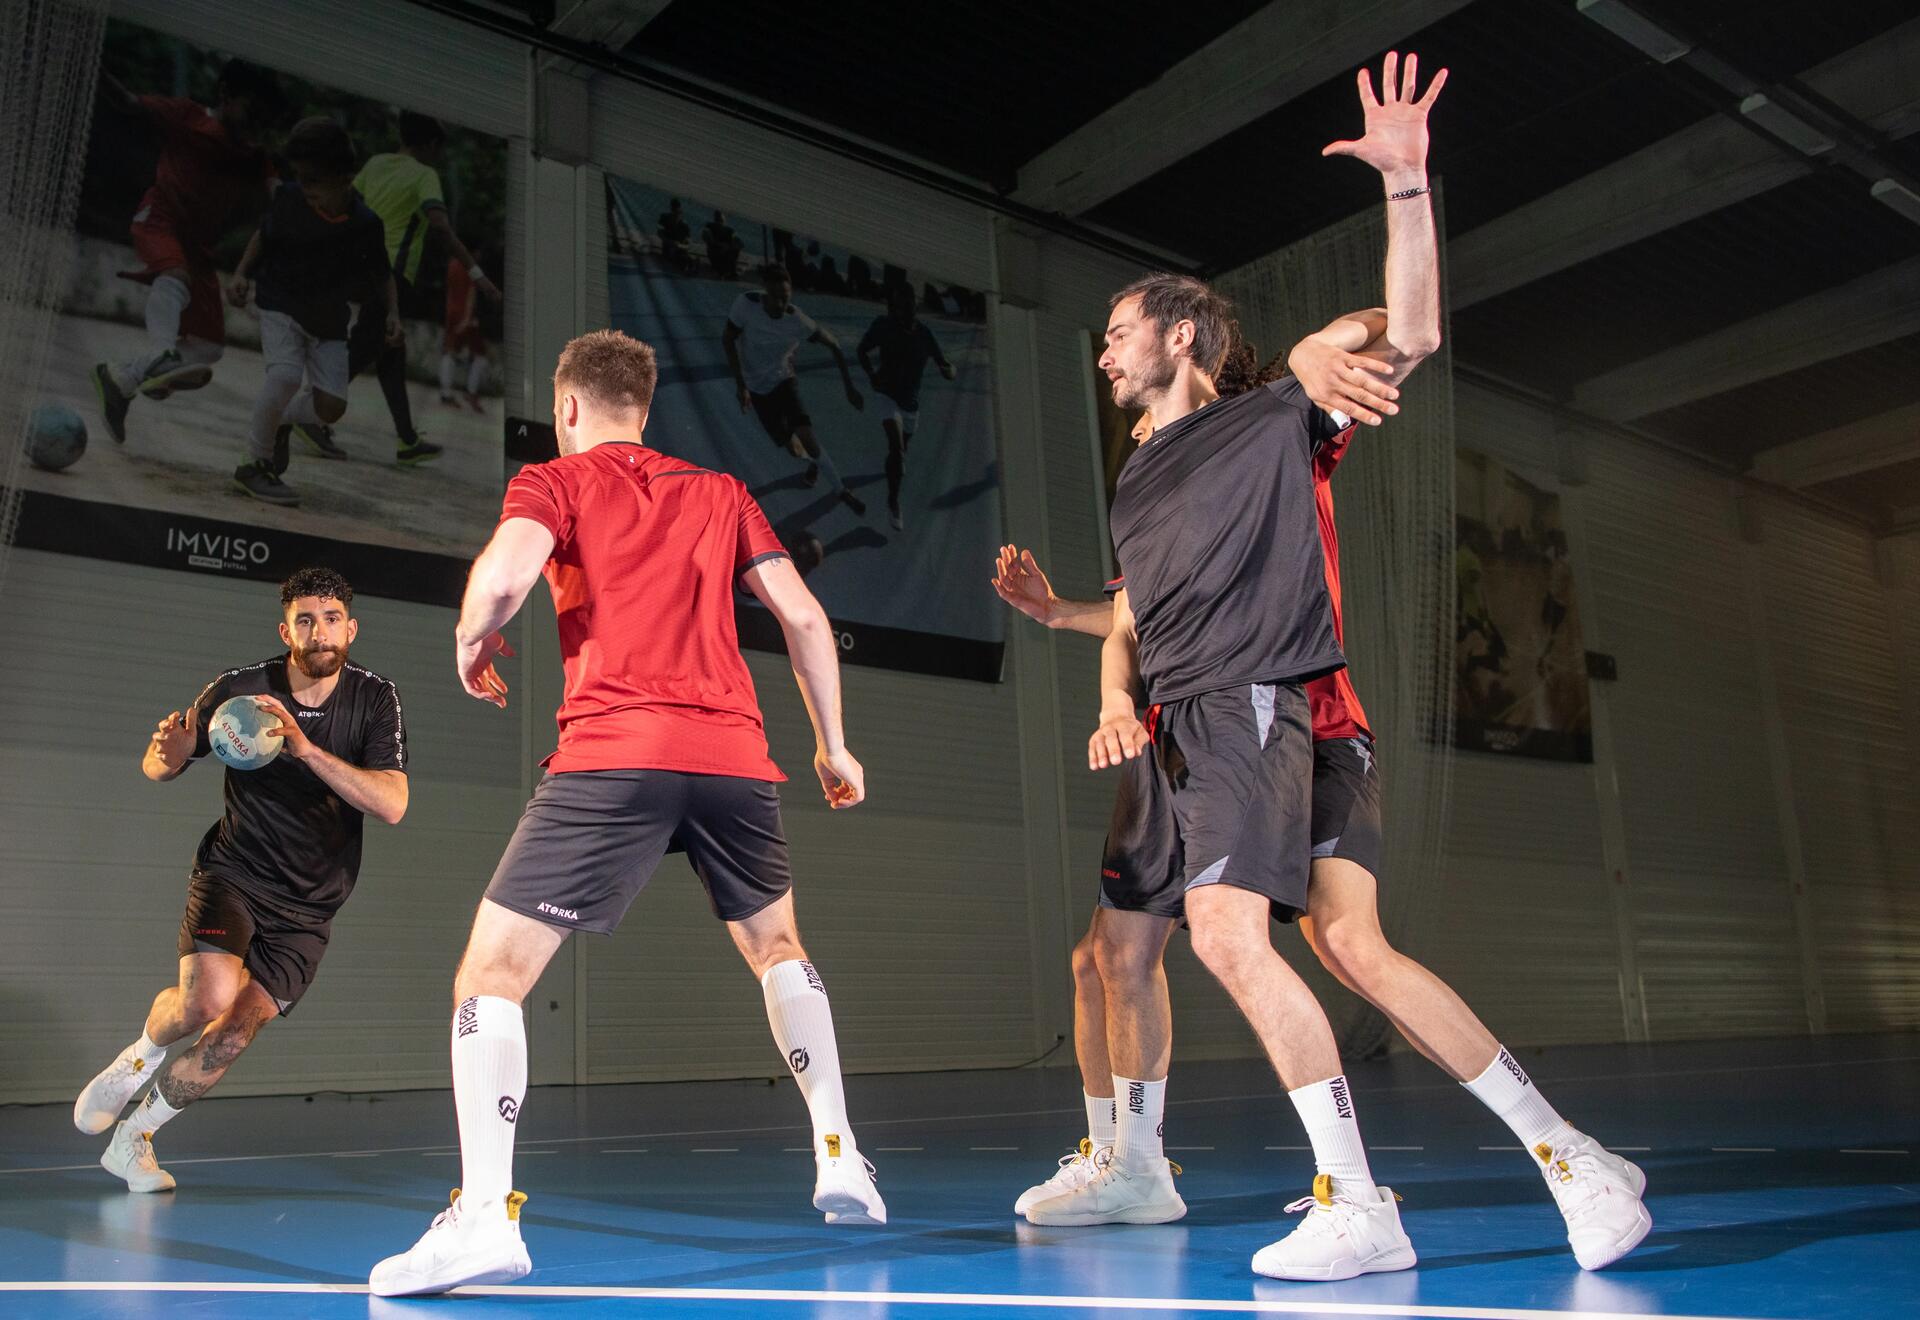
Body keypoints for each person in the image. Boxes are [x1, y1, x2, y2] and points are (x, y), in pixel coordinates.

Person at [370, 330, 885, 1297]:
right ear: (645, 411)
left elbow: (507, 576)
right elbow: (806, 618)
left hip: (617, 753)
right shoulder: (722, 491)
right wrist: (832, 745)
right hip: (736, 758)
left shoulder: (554, 481)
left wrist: (469, 639)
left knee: (491, 977)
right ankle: (839, 1150)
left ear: (569, 409)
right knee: (777, 947)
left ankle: (483, 1217)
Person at [72, 568, 408, 1192]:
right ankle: (134, 1062)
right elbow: (160, 764)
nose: (320, 631)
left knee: (230, 1037)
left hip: (311, 906)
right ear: (286, 630)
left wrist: (306, 751)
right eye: (305, 619)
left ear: (351, 628)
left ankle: (133, 1139)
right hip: (237, 873)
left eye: (332, 618)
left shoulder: (374, 699)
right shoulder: (241, 690)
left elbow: (392, 803)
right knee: (206, 999)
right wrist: (166, 754)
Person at [90, 59, 283, 447]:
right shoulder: (186, 116)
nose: (255, 122)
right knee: (174, 275)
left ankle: (123, 378)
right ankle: (161, 355)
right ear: (225, 95)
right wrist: (91, 64)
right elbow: (128, 102)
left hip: (198, 248)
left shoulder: (252, 154)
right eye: (251, 108)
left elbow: (278, 193)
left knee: (209, 348)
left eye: (262, 115)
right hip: (159, 219)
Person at [225, 118, 396, 505]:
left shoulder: (366, 224)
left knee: (331, 408)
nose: (306, 189)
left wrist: (393, 315)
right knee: (284, 375)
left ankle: (282, 420)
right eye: (300, 179)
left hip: (328, 321)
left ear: (346, 179)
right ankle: (253, 464)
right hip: (279, 303)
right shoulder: (289, 198)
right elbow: (263, 236)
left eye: (314, 182)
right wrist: (240, 273)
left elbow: (383, 274)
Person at [340, 112, 502, 466]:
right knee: (362, 349)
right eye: (438, 149)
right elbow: (441, 228)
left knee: (390, 355)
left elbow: (347, 205)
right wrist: (478, 275)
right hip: (392, 275)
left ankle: (407, 439)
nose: (438, 157)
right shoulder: (425, 176)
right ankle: (305, 415)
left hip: (362, 266)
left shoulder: (377, 162)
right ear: (429, 145)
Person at [724, 264, 867, 515]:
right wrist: (741, 385)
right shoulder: (746, 305)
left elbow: (834, 345)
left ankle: (841, 490)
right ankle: (813, 463)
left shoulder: (797, 320)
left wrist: (849, 387)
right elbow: (728, 339)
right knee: (793, 448)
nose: (781, 304)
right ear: (765, 293)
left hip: (784, 382)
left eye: (786, 298)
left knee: (808, 438)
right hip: (757, 389)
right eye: (776, 298)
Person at [857, 282, 955, 530]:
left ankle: (894, 466)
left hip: (910, 404)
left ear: (914, 305)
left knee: (900, 452)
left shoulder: (925, 335)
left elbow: (945, 364)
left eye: (906, 305)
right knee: (897, 450)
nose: (901, 311)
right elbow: (862, 350)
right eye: (897, 306)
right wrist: (871, 374)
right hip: (886, 396)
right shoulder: (884, 326)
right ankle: (893, 501)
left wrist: (948, 370)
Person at [439, 252, 491, 413]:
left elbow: (449, 292)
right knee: (480, 356)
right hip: (465, 316)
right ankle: (470, 392)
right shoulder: (471, 267)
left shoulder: (452, 264)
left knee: (450, 352)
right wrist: (467, 318)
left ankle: (447, 393)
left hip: (452, 313)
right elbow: (471, 293)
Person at [702, 210, 743, 279]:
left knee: (733, 250)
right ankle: (723, 271)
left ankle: (730, 272)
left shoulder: (729, 231)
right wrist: (718, 245)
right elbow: (707, 237)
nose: (719, 221)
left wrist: (729, 246)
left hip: (727, 252)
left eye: (720, 219)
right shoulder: (710, 227)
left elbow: (739, 244)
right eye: (717, 219)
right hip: (715, 250)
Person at [657, 197, 693, 271]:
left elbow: (688, 244)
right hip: (670, 248)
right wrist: (670, 242)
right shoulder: (665, 219)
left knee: (683, 257)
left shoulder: (684, 226)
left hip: (679, 249)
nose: (676, 215)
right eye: (674, 212)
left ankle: (686, 263)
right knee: (675, 256)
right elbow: (660, 233)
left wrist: (679, 245)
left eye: (678, 213)